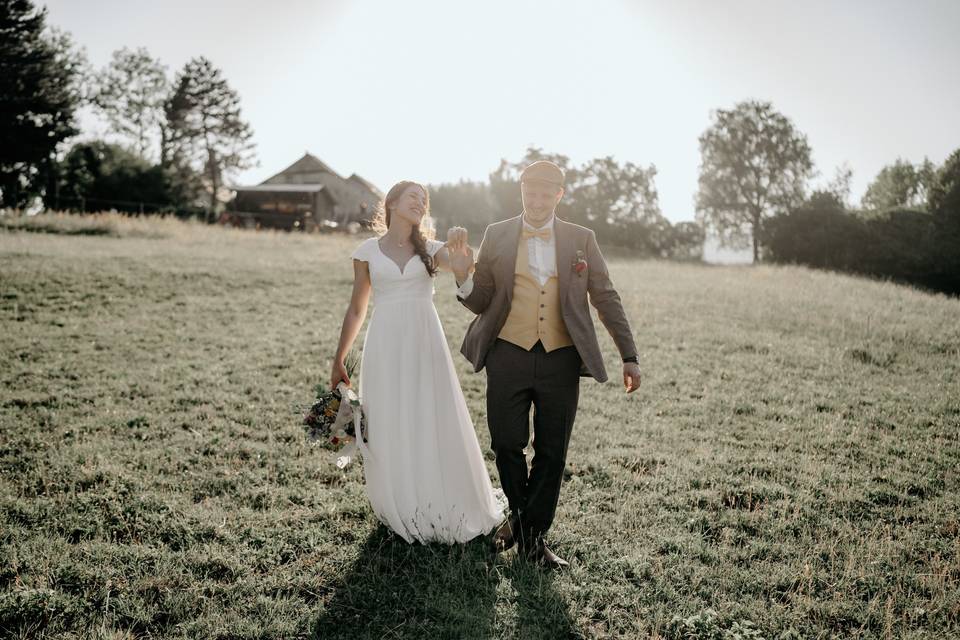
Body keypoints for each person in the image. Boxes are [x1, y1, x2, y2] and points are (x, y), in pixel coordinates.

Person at [445, 160, 641, 568]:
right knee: (505, 443)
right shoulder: (497, 234)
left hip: (561, 360)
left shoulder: (581, 239)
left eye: (543, 194)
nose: (535, 202)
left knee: (553, 452)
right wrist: (463, 276)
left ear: (558, 195)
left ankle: (530, 536)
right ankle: (524, 525)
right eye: (528, 193)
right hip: (507, 353)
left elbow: (605, 297)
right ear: (521, 192)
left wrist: (629, 355)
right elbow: (481, 299)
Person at [330, 180, 507, 544]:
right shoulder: (366, 252)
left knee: (431, 414)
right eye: (413, 196)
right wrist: (339, 358)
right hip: (385, 344)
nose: (420, 203)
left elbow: (460, 271)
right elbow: (357, 308)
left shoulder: (431, 249)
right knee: (390, 419)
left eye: (424, 200)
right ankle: (401, 503)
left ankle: (443, 500)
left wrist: (461, 266)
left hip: (424, 341)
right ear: (392, 202)